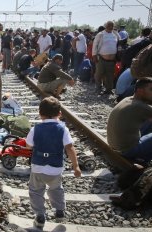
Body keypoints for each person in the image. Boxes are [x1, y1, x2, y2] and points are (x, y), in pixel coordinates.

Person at [26, 96, 81, 230]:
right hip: (55, 168)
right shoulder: (63, 129)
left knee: (35, 190)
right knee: (56, 188)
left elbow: (28, 146)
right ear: (59, 114)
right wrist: (76, 166)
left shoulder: (35, 129)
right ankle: (59, 210)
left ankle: (40, 214)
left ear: (40, 114)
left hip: (38, 167)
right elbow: (70, 148)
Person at [107, 78, 152, 165]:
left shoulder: (128, 99)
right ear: (140, 91)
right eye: (151, 90)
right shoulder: (140, 106)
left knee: (148, 124)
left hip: (115, 145)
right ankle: (142, 160)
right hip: (127, 150)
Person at [92, 21, 120, 95]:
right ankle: (98, 88)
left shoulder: (115, 34)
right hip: (101, 59)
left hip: (112, 61)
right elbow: (95, 45)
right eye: (109, 25)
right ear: (106, 26)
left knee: (110, 76)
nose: (110, 27)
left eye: (112, 25)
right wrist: (94, 55)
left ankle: (108, 89)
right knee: (99, 74)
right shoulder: (101, 34)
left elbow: (119, 44)